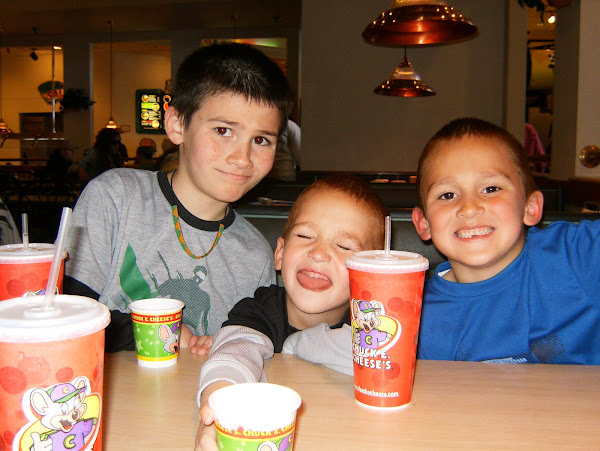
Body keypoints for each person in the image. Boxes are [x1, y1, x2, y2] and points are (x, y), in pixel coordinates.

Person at [64, 42, 294, 353]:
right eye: (224, 131)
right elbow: (66, 316)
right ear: (177, 125)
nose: (242, 157)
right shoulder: (116, 198)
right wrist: (159, 332)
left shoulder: (255, 254)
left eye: (261, 139)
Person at [194, 175, 388, 450]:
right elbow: (235, 352)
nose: (319, 253)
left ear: (372, 270)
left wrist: (299, 344)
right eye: (305, 236)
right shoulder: (259, 307)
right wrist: (215, 414)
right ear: (280, 253)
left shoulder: (374, 323)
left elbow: (380, 361)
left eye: (344, 246)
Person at [411, 117, 600, 364]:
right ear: (423, 223)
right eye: (447, 195)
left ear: (530, 208)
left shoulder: (577, 254)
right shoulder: (417, 313)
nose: (469, 208)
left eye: (491, 189)